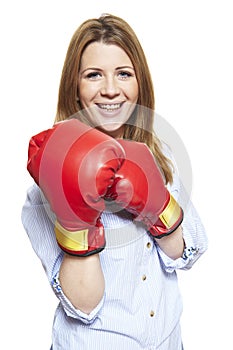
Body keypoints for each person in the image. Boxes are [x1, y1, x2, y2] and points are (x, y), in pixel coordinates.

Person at [21, 14, 208, 350]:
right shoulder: (45, 186)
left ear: (139, 85)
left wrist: (157, 204)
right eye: (94, 75)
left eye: (124, 74)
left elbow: (190, 251)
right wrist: (76, 208)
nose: (110, 89)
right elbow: (84, 306)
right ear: (75, 89)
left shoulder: (158, 154)